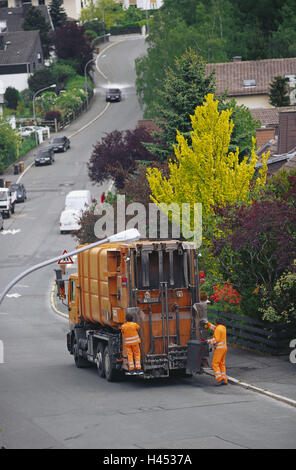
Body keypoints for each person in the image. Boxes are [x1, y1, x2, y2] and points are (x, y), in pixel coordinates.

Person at [205, 318, 228, 386]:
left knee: (215, 364)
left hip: (219, 349)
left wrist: (207, 341)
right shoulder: (223, 328)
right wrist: (208, 324)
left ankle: (219, 379)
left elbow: (216, 340)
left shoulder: (218, 329)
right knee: (222, 364)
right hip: (224, 348)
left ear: (217, 323)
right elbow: (215, 328)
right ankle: (224, 379)